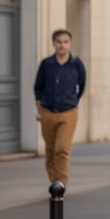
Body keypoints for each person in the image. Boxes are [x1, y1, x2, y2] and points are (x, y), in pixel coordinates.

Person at [33, 29, 86, 185]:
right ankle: (53, 182)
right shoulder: (46, 64)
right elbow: (38, 87)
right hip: (47, 111)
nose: (62, 45)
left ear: (70, 43)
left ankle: (61, 183)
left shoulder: (77, 64)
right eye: (59, 42)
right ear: (54, 44)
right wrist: (39, 107)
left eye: (65, 42)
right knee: (50, 151)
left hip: (68, 111)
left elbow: (82, 85)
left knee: (62, 148)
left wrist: (73, 101)